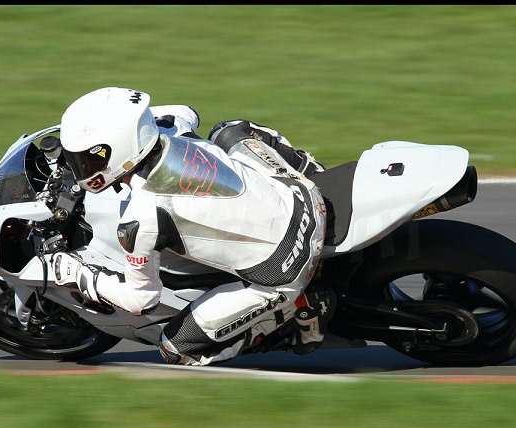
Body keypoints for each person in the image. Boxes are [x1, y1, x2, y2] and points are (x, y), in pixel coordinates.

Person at [51, 87, 336, 366]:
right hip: (303, 195)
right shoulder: (173, 126)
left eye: (86, 159)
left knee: (175, 348)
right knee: (229, 130)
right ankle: (319, 174)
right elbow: (186, 112)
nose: (82, 168)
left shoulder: (141, 216)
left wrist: (77, 273)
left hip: (286, 267)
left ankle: (296, 317)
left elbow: (140, 301)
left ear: (120, 149)